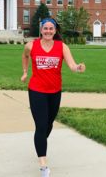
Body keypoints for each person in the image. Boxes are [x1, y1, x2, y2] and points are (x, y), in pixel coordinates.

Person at [21, 18, 86, 177]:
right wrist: (25, 72)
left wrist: (78, 68)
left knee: (48, 124)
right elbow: (25, 56)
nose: (48, 31)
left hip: (55, 91)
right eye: (45, 28)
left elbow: (72, 66)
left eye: (51, 28)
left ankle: (40, 141)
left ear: (55, 31)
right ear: (41, 30)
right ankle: (43, 167)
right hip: (36, 90)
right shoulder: (32, 45)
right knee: (41, 126)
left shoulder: (62, 47)